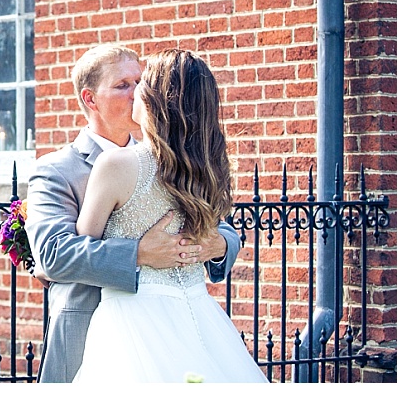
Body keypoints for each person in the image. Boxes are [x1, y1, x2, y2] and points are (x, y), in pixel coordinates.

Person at [24, 44, 242, 383]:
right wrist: (138, 254)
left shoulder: (171, 157)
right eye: (122, 84)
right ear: (90, 99)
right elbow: (53, 254)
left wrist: (221, 245)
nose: (136, 92)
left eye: (140, 82)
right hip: (89, 328)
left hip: (172, 328)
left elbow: (217, 223)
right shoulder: (56, 170)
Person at [71, 48, 266, 383]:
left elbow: (83, 247)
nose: (135, 91)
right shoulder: (208, 169)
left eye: (142, 83)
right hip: (199, 314)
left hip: (132, 317)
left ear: (156, 100)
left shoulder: (117, 164)